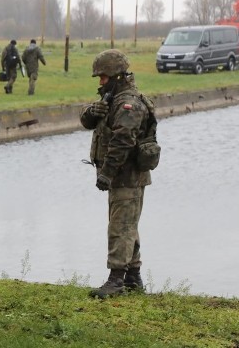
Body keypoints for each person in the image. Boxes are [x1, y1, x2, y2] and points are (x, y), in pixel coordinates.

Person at [79, 49, 153, 299]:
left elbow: (123, 141)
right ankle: (133, 279)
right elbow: (89, 122)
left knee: (121, 227)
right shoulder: (113, 99)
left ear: (117, 76)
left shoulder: (128, 104)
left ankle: (116, 281)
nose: (100, 82)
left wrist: (107, 173)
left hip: (127, 176)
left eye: (103, 77)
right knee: (126, 225)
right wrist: (91, 113)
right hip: (121, 177)